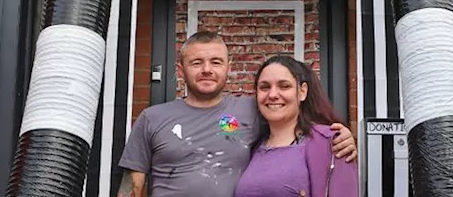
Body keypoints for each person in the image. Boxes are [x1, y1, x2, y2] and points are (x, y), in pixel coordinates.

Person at [119, 31, 356, 197]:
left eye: (216, 62)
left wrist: (342, 136)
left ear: (228, 67)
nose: (207, 70)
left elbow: (290, 118)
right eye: (196, 63)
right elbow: (133, 185)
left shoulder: (252, 110)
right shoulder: (152, 118)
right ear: (181, 70)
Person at [235, 55, 358, 197]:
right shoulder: (252, 147)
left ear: (302, 92)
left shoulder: (333, 143)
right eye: (265, 87)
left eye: (284, 86)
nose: (273, 94)